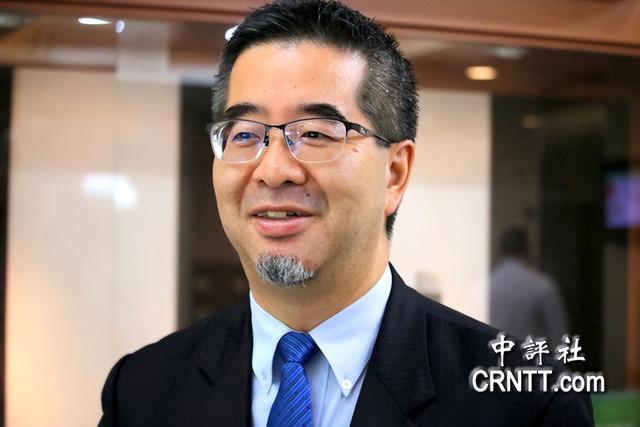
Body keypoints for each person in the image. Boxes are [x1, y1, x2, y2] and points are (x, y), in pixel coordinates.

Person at [99, 1, 594, 425]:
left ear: (394, 173)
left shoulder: (527, 404)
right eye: (245, 134)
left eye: (316, 133)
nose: (273, 170)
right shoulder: (143, 390)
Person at [490, 227, 569, 349]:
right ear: (528, 250)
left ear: (500, 251)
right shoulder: (542, 285)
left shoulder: (485, 286)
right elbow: (559, 335)